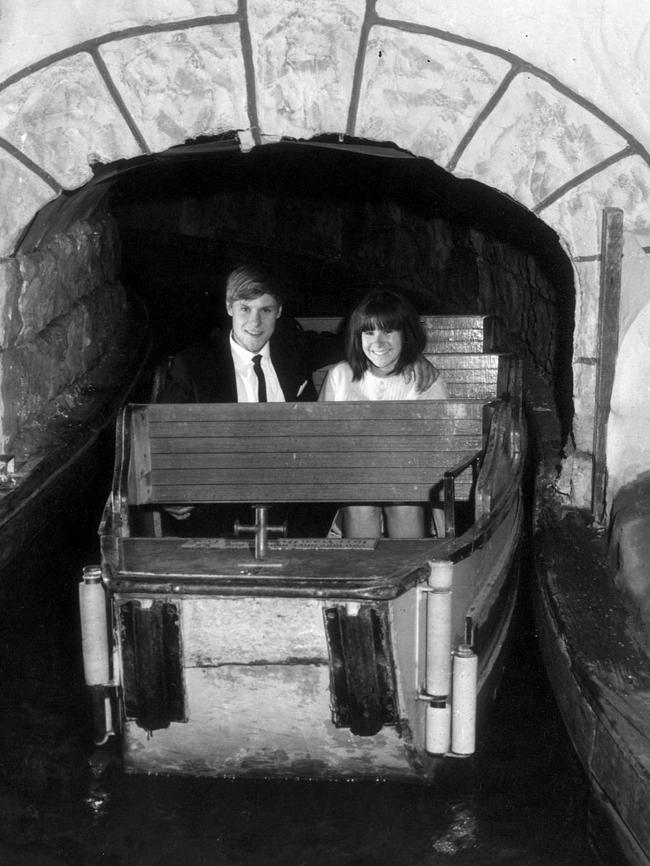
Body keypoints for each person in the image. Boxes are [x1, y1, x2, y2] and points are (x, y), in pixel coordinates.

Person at [159, 265, 440, 535]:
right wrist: (168, 489)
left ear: (279, 311)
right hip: (223, 500)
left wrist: (412, 356)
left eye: (265, 310)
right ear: (229, 307)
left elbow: (366, 342)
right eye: (245, 308)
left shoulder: (293, 347)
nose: (255, 323)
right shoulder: (194, 363)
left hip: (294, 498)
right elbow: (161, 435)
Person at [319, 288, 449, 539]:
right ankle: (363, 571)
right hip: (355, 482)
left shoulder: (424, 379)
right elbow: (325, 437)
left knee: (403, 503)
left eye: (388, 331)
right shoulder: (340, 376)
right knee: (359, 501)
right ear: (358, 337)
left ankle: (407, 570)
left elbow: (440, 449)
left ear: (406, 333)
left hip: (410, 484)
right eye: (369, 332)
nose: (378, 342)